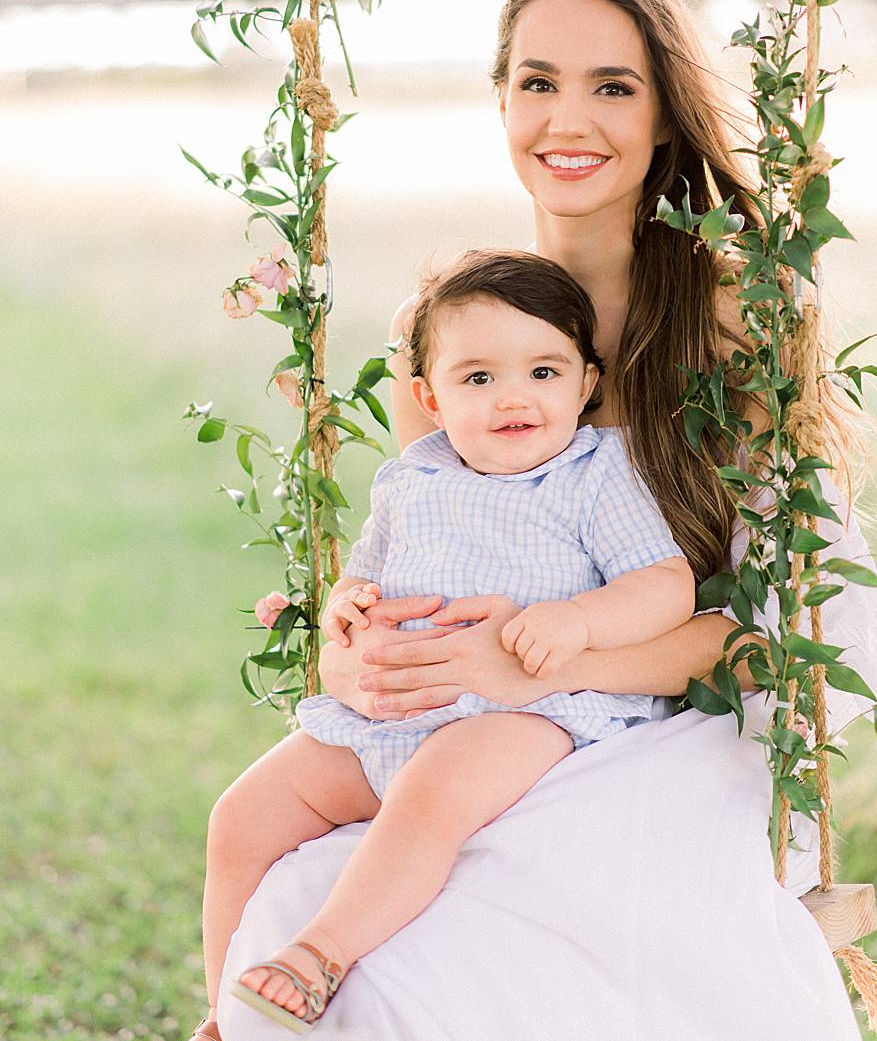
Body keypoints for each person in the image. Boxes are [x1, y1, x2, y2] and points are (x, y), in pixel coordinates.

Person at [206, 0, 877, 1040]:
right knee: (284, 867)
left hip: (666, 722)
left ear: (663, 114)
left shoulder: (733, 322)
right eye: (537, 83)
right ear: (501, 101)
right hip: (449, 718)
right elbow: (420, 549)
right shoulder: (443, 339)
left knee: (477, 932)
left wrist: (537, 663)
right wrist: (355, 649)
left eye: (611, 87)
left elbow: (779, 636)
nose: (566, 121)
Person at [212, 250, 696, 1032]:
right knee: (243, 815)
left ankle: (320, 954)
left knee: (431, 794)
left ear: (587, 383)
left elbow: (665, 584)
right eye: (478, 378)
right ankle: (223, 1012)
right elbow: (365, 573)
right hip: (392, 716)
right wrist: (348, 602)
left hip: (526, 716)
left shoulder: (595, 473)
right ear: (429, 399)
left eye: (544, 371)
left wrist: (577, 621)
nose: (513, 396)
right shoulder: (413, 477)